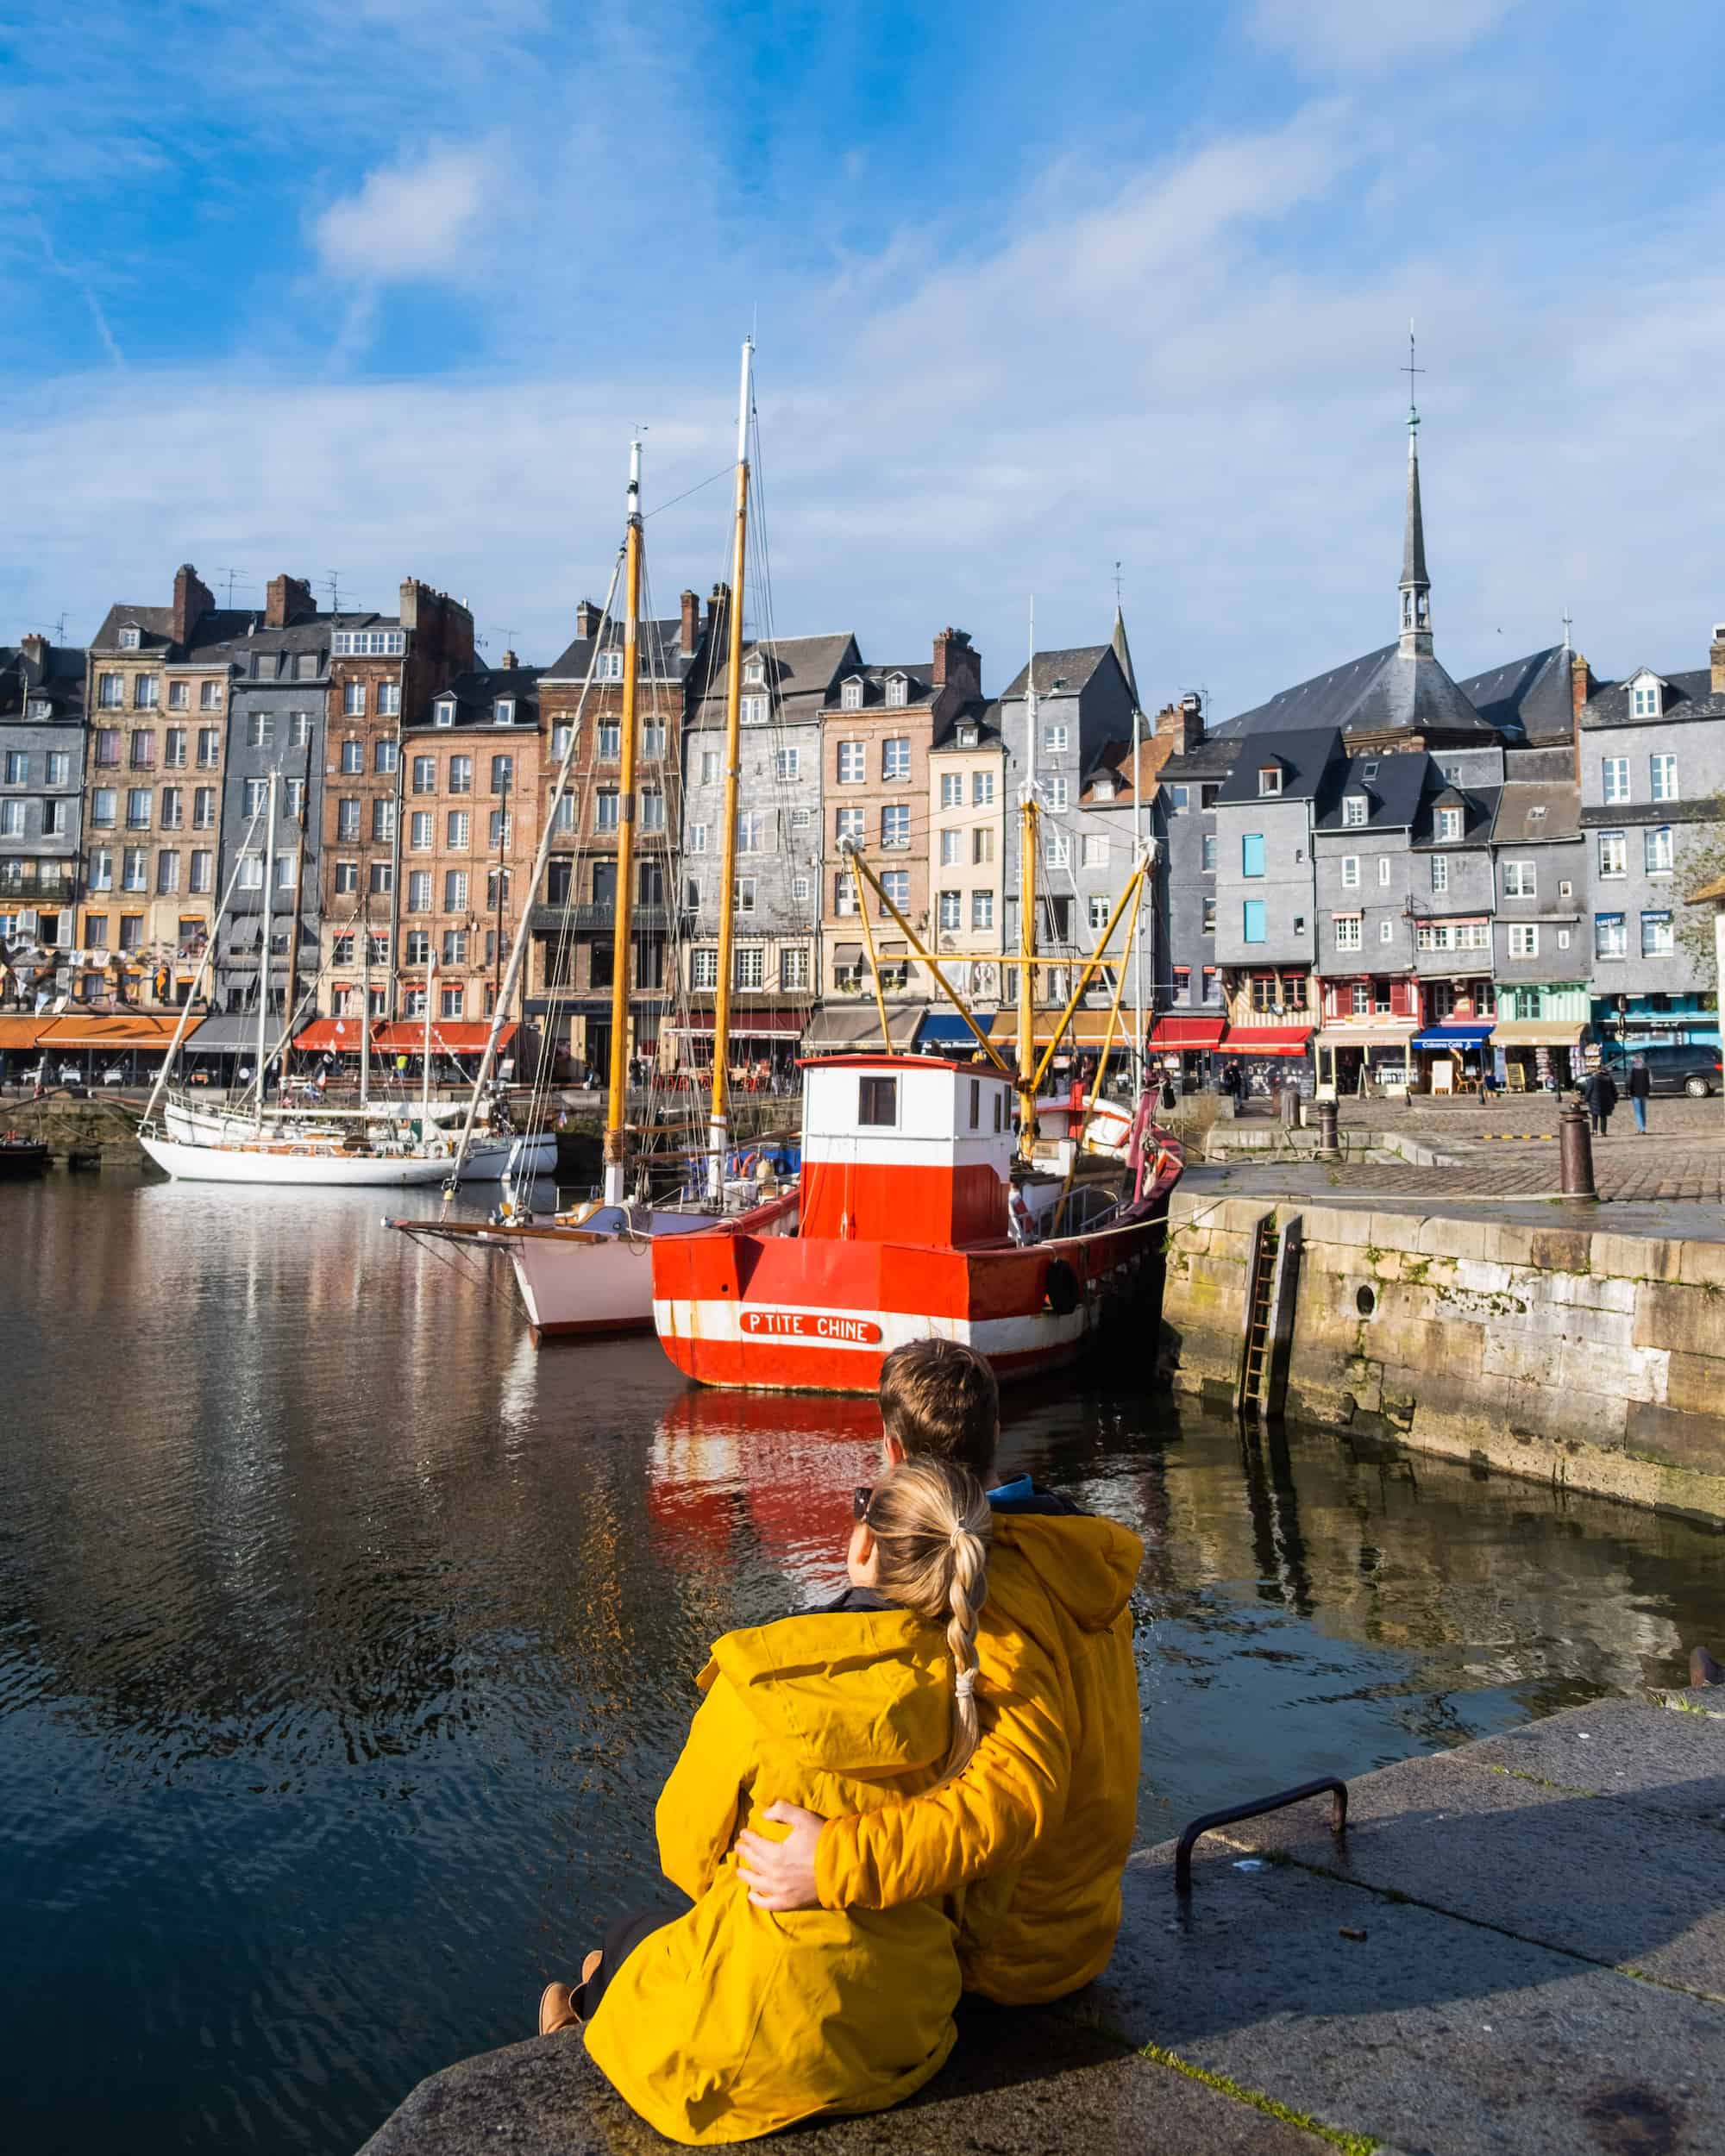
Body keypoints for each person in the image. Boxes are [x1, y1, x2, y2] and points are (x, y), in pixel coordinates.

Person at [543, 1460, 1035, 2143]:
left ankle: (577, 2020)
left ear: (862, 1545)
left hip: (768, 2040)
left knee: (626, 1940)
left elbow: (681, 1846)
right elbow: (986, 1877)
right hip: (908, 2025)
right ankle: (591, 2002)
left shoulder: (762, 1675)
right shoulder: (981, 1692)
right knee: (632, 1952)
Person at [736, 1338, 1143, 2007]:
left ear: (890, 1450)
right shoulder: (1066, 1551)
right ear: (997, 1437)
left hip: (1009, 1957)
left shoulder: (996, 1597)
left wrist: (832, 1862)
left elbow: (1017, 1796)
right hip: (1077, 1920)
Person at [1579, 1063, 1618, 1137]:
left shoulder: (1593, 1078)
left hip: (1594, 1100)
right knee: (1603, 1116)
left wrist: (1585, 1099)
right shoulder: (1609, 1078)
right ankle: (1603, 1132)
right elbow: (1614, 1090)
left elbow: (1589, 1090)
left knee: (1595, 1116)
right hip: (1606, 1100)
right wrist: (1615, 1099)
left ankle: (1595, 1131)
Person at [1628, 1054, 1652, 1134]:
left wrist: (1630, 1092)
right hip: (1644, 1093)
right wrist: (1648, 1091)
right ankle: (1643, 1127)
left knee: (1638, 1112)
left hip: (1636, 1093)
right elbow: (1649, 1082)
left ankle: (1641, 1129)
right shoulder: (1646, 1069)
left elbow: (1631, 1082)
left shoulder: (1633, 1070)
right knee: (1643, 1111)